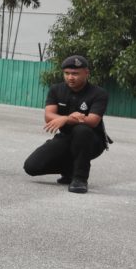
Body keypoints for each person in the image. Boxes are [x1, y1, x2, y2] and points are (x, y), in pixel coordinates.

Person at [24, 55, 111, 194]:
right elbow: (49, 116)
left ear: (86, 73)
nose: (70, 77)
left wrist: (65, 119)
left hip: (91, 141)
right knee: (31, 166)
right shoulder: (56, 90)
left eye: (75, 74)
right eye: (67, 73)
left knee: (82, 130)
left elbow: (93, 121)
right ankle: (69, 170)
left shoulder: (99, 93)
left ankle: (80, 179)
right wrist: (69, 117)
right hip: (66, 138)